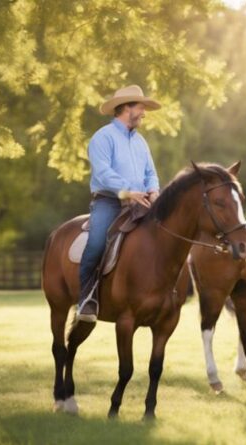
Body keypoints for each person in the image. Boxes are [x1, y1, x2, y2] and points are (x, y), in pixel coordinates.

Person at [76, 85, 162, 322]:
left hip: (143, 201)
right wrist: (128, 192)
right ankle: (86, 299)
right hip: (110, 201)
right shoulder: (102, 137)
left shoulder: (141, 141)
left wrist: (153, 189)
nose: (144, 112)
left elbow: (150, 172)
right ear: (126, 108)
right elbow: (103, 173)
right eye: (140, 107)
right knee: (96, 243)